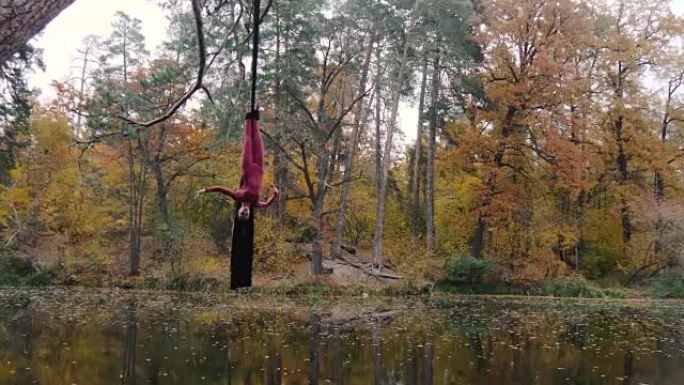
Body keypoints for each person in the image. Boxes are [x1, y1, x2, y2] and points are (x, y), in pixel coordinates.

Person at [197, 110, 278, 220]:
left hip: (248, 166)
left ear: (239, 210)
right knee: (258, 139)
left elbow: (220, 189)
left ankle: (248, 115)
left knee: (249, 139)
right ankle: (255, 117)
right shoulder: (255, 203)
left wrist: (205, 190)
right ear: (249, 213)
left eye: (242, 213)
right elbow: (267, 204)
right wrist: (275, 195)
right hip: (259, 167)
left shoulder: (238, 197)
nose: (244, 212)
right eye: (246, 214)